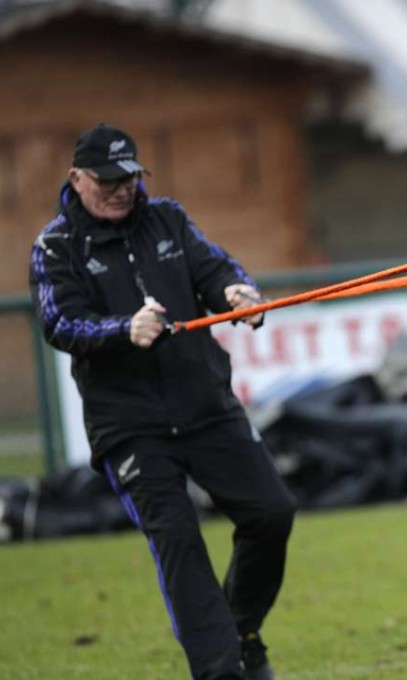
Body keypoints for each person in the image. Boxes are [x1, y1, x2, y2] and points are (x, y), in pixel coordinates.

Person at [29, 123, 296, 680]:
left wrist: (236, 291)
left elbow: (216, 266)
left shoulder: (167, 218)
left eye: (130, 177)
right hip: (129, 427)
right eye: (108, 179)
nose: (122, 188)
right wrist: (122, 329)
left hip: (205, 405)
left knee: (272, 512)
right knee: (175, 535)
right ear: (76, 179)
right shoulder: (55, 246)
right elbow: (59, 320)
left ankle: (243, 631)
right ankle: (221, 670)